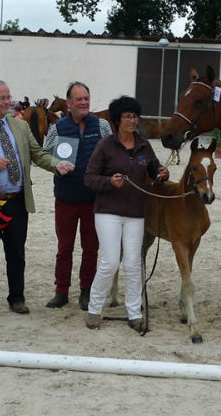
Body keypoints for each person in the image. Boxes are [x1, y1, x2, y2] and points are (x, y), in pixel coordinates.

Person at [0, 80, 73, 316]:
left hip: (17, 200)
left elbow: (38, 154)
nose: (8, 101)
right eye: (2, 98)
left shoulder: (21, 127)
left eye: (8, 97)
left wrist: (58, 165)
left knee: (16, 252)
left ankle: (17, 298)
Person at [83, 96, 169, 331]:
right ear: (117, 120)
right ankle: (94, 309)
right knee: (110, 262)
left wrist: (163, 173)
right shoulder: (106, 145)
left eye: (135, 116)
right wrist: (110, 181)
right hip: (108, 212)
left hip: (136, 213)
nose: (133, 120)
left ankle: (134, 312)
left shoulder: (144, 145)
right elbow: (89, 177)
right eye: (128, 116)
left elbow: (155, 170)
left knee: (133, 264)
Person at [41, 82, 113, 310]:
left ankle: (86, 291)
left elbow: (112, 153)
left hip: (94, 199)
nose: (84, 102)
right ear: (69, 103)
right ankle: (61, 291)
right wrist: (56, 165)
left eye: (86, 98)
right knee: (64, 248)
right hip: (65, 197)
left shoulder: (101, 126)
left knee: (91, 248)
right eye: (78, 99)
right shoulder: (57, 128)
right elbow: (44, 154)